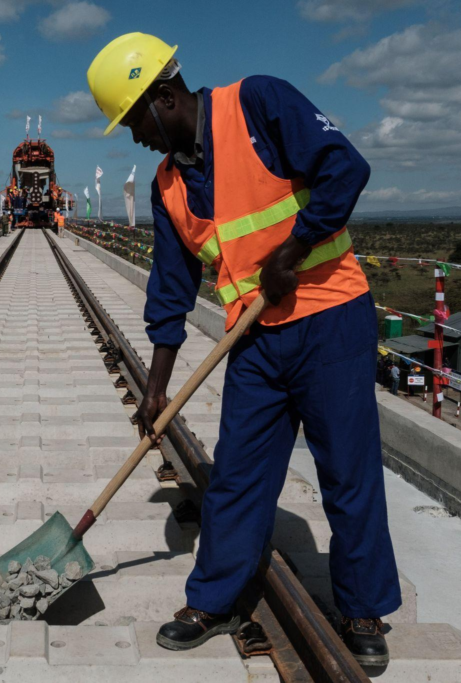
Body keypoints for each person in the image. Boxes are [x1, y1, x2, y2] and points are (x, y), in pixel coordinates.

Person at [87, 33, 400, 667]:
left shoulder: (258, 104)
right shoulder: (168, 184)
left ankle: (362, 609)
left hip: (329, 315)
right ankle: (214, 599)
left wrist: (292, 251)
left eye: (133, 121)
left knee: (348, 472)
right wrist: (156, 385)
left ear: (165, 97)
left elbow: (346, 168)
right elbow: (172, 287)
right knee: (238, 475)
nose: (136, 138)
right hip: (254, 337)